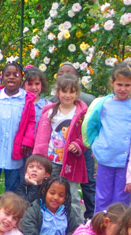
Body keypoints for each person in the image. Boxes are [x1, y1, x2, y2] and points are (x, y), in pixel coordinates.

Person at [82, 62, 131, 212]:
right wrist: (94, 145)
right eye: (119, 84)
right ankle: (99, 228)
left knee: (121, 199)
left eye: (127, 85)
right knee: (102, 197)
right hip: (105, 158)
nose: (123, 89)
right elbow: (91, 124)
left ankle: (119, 229)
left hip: (125, 161)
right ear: (112, 83)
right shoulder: (104, 103)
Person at [33, 74, 88, 219]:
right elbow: (42, 137)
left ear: (77, 93)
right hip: (51, 161)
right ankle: (48, 221)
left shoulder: (81, 114)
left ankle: (77, 227)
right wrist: (38, 160)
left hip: (71, 162)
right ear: (58, 93)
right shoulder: (51, 112)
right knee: (47, 191)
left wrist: (78, 144)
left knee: (72, 195)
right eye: (64, 91)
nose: (67, 95)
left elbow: (87, 135)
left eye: (71, 92)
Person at [0, 62, 36, 204]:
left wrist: (27, 141)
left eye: (16, 75)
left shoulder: (26, 99)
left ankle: (9, 210)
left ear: (22, 79)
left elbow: (30, 122)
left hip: (14, 150)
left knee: (12, 185)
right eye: (7, 74)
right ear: (2, 78)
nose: (11, 78)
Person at [53, 62, 97, 218]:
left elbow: (89, 129)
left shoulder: (86, 105)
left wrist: (80, 145)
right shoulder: (51, 107)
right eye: (61, 72)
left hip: (76, 155)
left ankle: (85, 220)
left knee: (78, 190)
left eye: (69, 73)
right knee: (52, 191)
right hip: (54, 158)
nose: (65, 75)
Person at [23, 66, 50, 134]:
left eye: (37, 84)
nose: (34, 87)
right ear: (23, 85)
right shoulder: (19, 104)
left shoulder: (48, 106)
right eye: (30, 84)